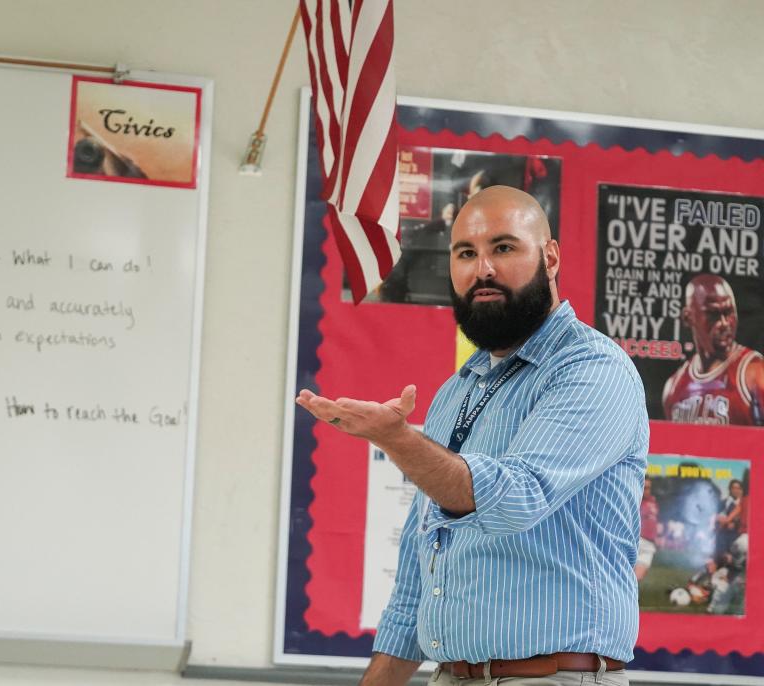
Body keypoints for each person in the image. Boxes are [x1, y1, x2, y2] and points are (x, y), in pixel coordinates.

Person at [297, 186, 648, 686]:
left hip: (554, 678)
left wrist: (397, 440)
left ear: (550, 258)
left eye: (503, 248)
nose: (483, 269)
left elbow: (515, 498)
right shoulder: (454, 392)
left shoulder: (592, 368)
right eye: (466, 253)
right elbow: (418, 581)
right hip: (451, 676)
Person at [662, 274, 764, 425]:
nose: (724, 323)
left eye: (729, 313)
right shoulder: (673, 388)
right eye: (713, 315)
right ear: (688, 317)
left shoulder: (754, 373)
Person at [636, 476, 661, 582]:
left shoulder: (653, 502)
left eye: (648, 488)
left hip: (649, 545)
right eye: (644, 487)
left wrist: (657, 537)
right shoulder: (633, 501)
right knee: (631, 579)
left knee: (637, 578)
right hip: (637, 542)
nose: (646, 490)